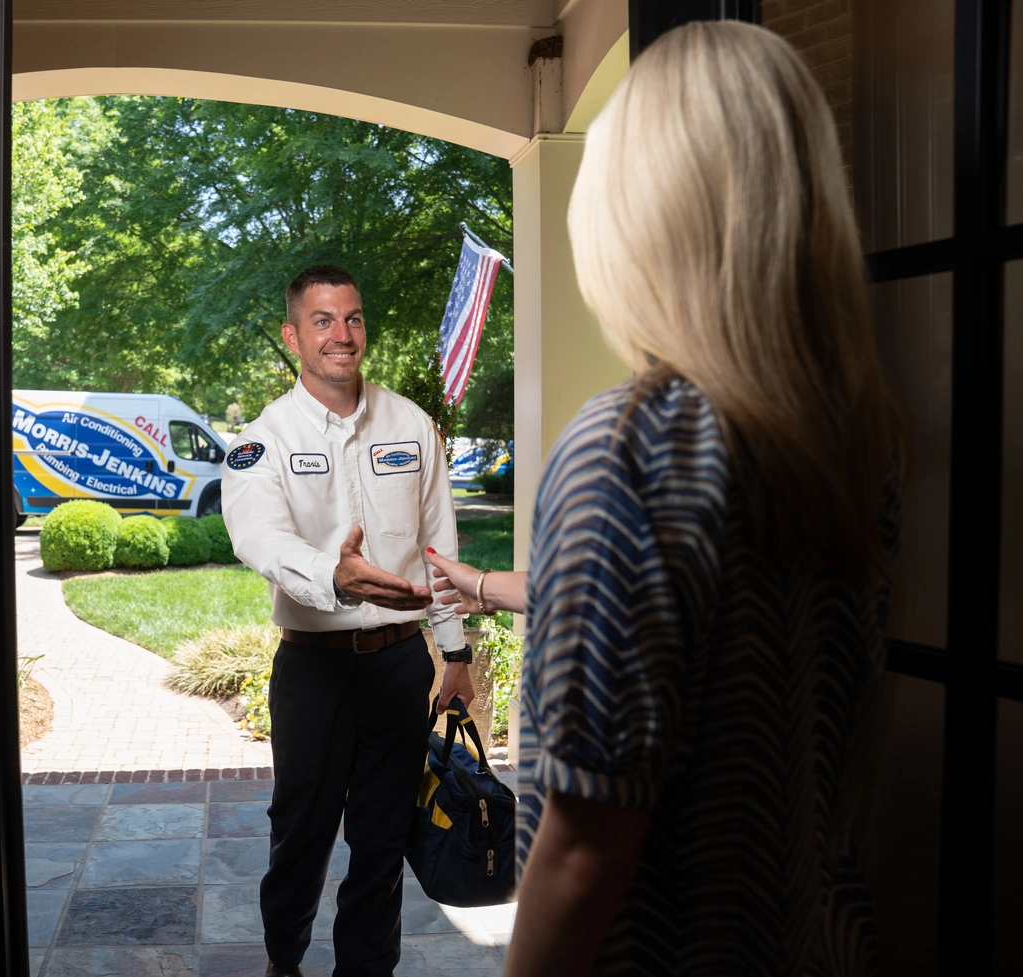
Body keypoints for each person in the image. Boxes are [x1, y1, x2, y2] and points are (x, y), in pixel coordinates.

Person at [428, 22, 904, 977]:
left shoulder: (631, 444)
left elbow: (584, 842)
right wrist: (479, 585)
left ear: (641, 215)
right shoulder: (848, 438)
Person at [222, 264, 475, 977]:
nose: (342, 334)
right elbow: (257, 537)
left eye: (353, 318)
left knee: (382, 836)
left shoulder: (410, 424)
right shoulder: (260, 438)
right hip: (314, 670)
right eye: (324, 320)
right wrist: (330, 573)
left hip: (399, 665)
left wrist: (453, 655)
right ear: (292, 335)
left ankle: (366, 970)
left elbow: (439, 549)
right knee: (299, 833)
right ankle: (283, 961)